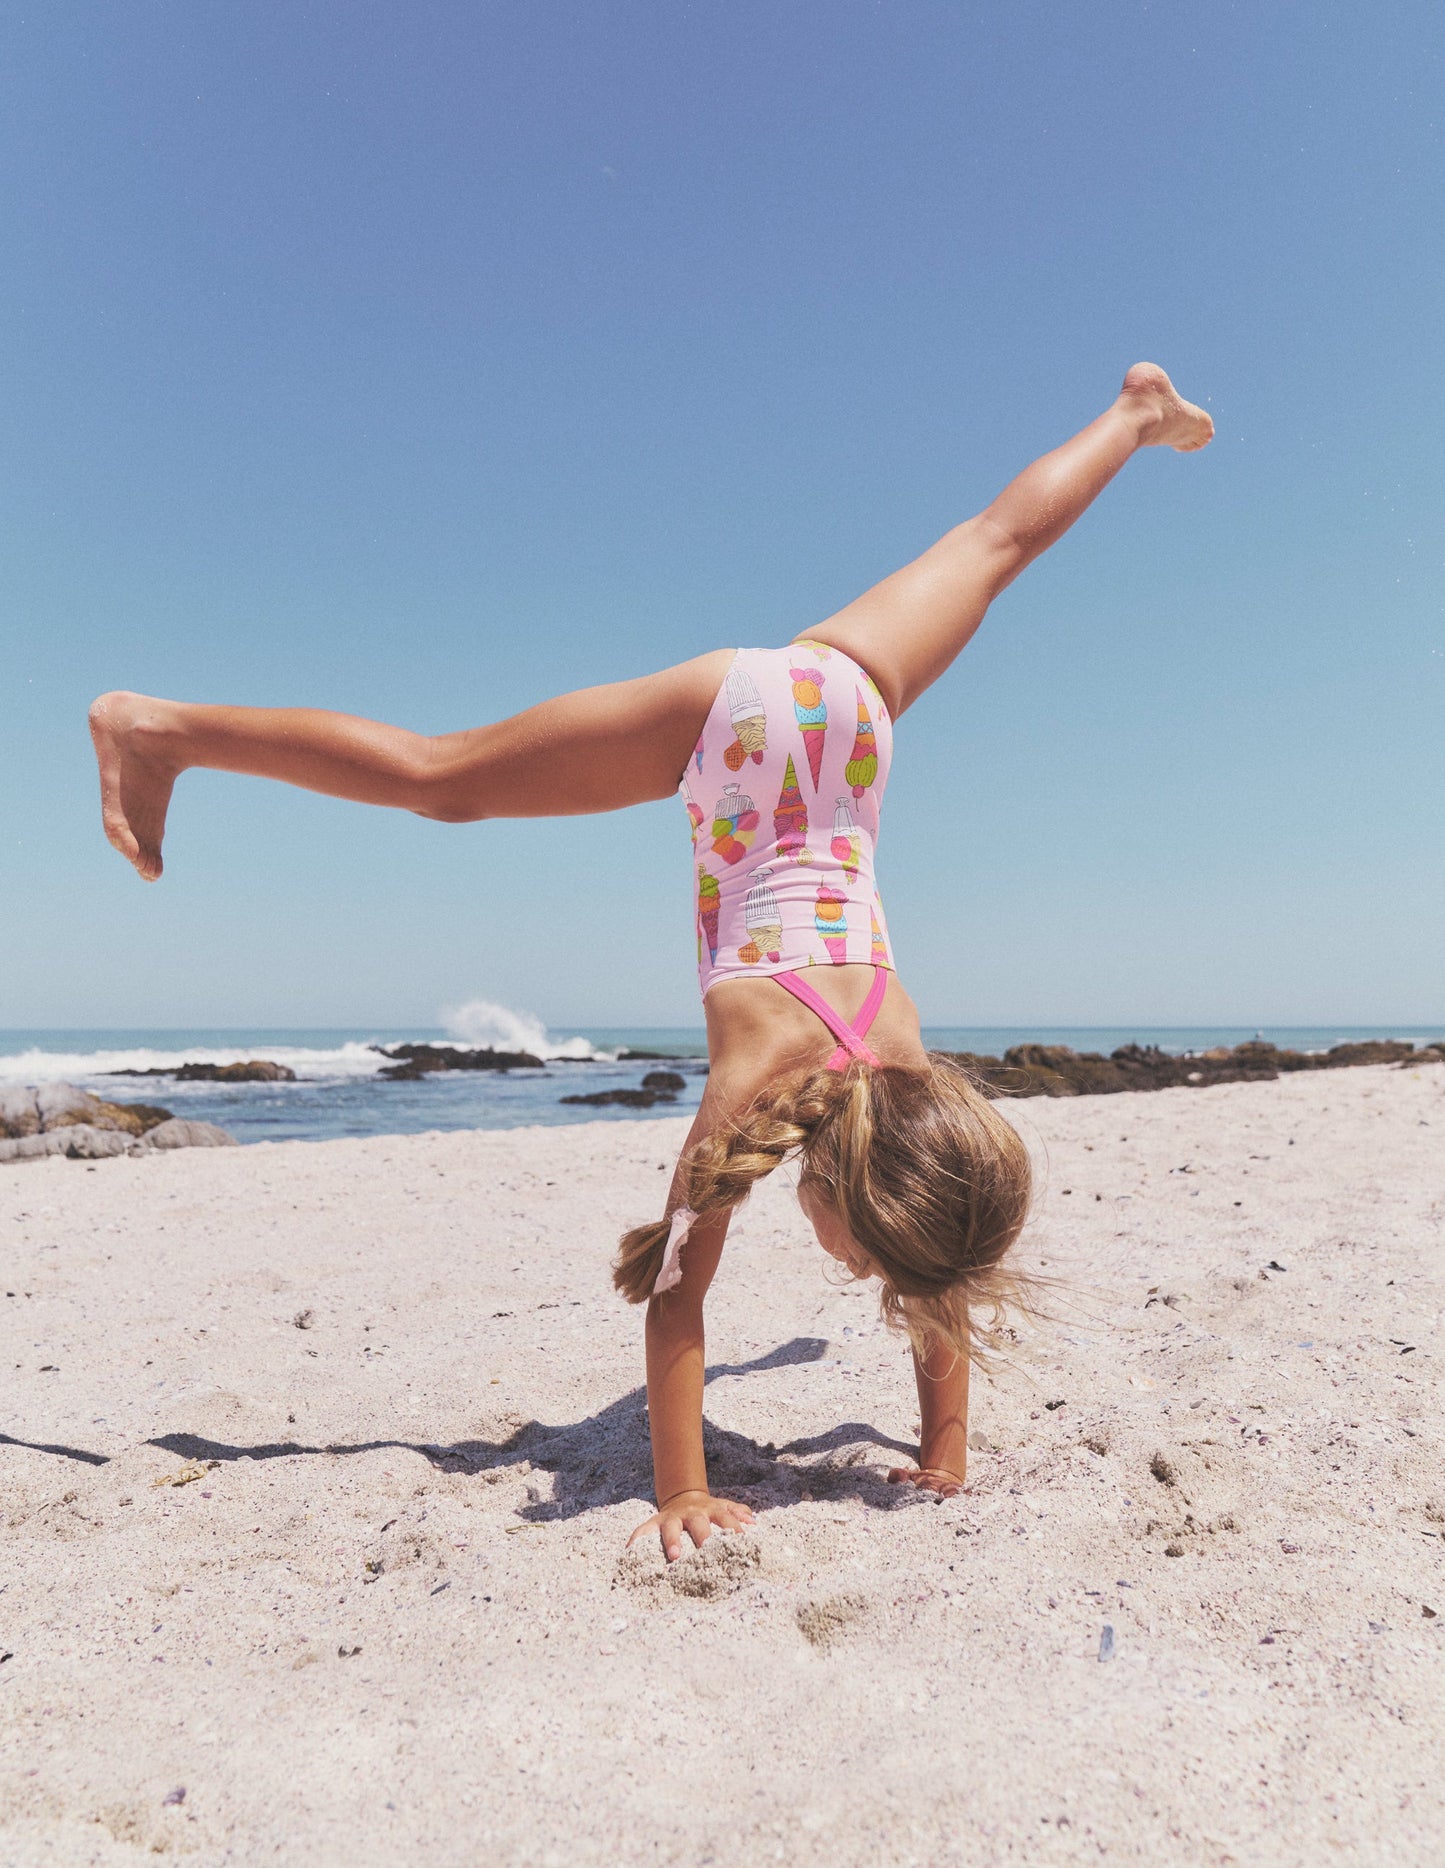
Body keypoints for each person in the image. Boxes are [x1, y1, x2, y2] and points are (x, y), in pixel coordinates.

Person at [89, 361, 1213, 1562]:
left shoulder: (904, 1069)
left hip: (841, 711)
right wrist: (680, 1492)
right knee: (439, 777)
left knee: (993, 545)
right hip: (725, 729)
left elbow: (931, 1274)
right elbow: (678, 1299)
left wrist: (946, 1459)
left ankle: (1134, 411)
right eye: (855, 1257)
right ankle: (156, 729)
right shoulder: (758, 1090)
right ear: (844, 1197)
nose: (840, 1265)